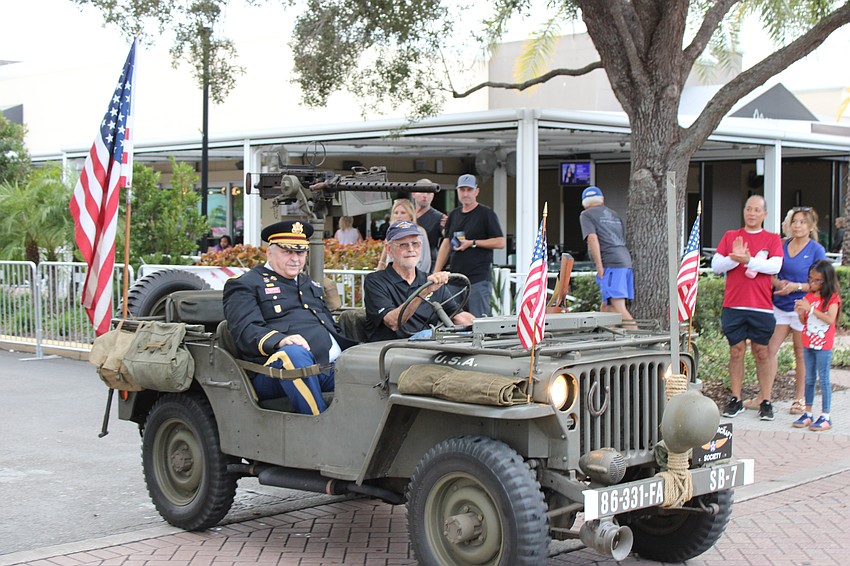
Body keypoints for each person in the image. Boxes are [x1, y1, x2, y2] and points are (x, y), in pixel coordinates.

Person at [223, 220, 357, 415]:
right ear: (269, 252)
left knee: (372, 360)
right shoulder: (246, 284)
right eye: (288, 252)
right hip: (274, 372)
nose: (296, 259)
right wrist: (281, 340)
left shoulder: (308, 283)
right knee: (292, 355)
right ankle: (318, 428)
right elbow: (246, 330)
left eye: (301, 252)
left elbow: (327, 324)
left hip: (328, 367)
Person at [711, 195, 783, 421]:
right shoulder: (731, 236)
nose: (752, 213)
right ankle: (736, 399)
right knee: (736, 351)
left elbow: (774, 266)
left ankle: (766, 400)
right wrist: (735, 259)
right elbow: (716, 266)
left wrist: (747, 260)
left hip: (761, 306)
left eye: (757, 210)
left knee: (762, 353)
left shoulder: (772, 239)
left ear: (765, 214)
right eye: (748, 209)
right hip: (733, 305)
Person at [754, 207, 826, 415]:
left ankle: (799, 399)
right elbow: (770, 272)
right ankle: (765, 396)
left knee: (800, 354)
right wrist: (777, 283)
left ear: (811, 226)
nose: (798, 225)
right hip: (780, 306)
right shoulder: (782, 244)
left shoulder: (816, 250)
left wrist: (797, 287)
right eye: (795, 221)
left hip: (802, 308)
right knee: (768, 350)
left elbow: (820, 282)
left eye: (803, 222)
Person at [364, 221, 474, 341]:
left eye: (415, 244)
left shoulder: (430, 281)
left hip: (426, 351)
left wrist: (485, 325)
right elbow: (393, 322)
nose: (411, 249)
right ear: (389, 250)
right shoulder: (375, 281)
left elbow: (457, 316)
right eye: (403, 245)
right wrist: (424, 291)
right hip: (388, 352)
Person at [433, 174, 505, 317]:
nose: (465, 193)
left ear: (476, 191)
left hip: (478, 281)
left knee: (477, 322)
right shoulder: (453, 214)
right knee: (452, 321)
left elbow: (500, 242)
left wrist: (472, 243)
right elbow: (446, 243)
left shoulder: (486, 214)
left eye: (469, 190)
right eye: (462, 190)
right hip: (455, 280)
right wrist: (436, 272)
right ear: (457, 191)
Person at [792, 259, 840, 431]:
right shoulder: (808, 297)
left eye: (817, 280)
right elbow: (803, 321)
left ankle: (826, 415)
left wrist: (811, 309)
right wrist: (801, 312)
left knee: (824, 379)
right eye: (810, 279)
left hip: (823, 344)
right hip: (808, 341)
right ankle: (808, 412)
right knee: (809, 378)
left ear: (826, 281)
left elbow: (829, 319)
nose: (812, 283)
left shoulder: (832, 298)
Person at [578, 185, 635, 324]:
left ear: (584, 203)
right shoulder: (614, 214)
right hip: (624, 261)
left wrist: (599, 266)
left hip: (610, 263)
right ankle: (606, 341)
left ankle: (643, 340)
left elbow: (592, 238)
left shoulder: (586, 215)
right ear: (601, 199)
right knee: (607, 306)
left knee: (619, 307)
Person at [376, 199, 431, 273]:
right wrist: (381, 265)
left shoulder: (419, 232)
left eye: (402, 213)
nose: (398, 216)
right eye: (396, 213)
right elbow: (387, 253)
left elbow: (425, 260)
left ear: (411, 215)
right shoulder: (391, 232)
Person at [412, 178, 447, 272]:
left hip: (429, 265)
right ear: (414, 193)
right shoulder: (408, 215)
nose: (425, 196)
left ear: (433, 195)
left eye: (429, 193)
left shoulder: (440, 218)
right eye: (422, 192)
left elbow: (448, 238)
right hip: (409, 263)